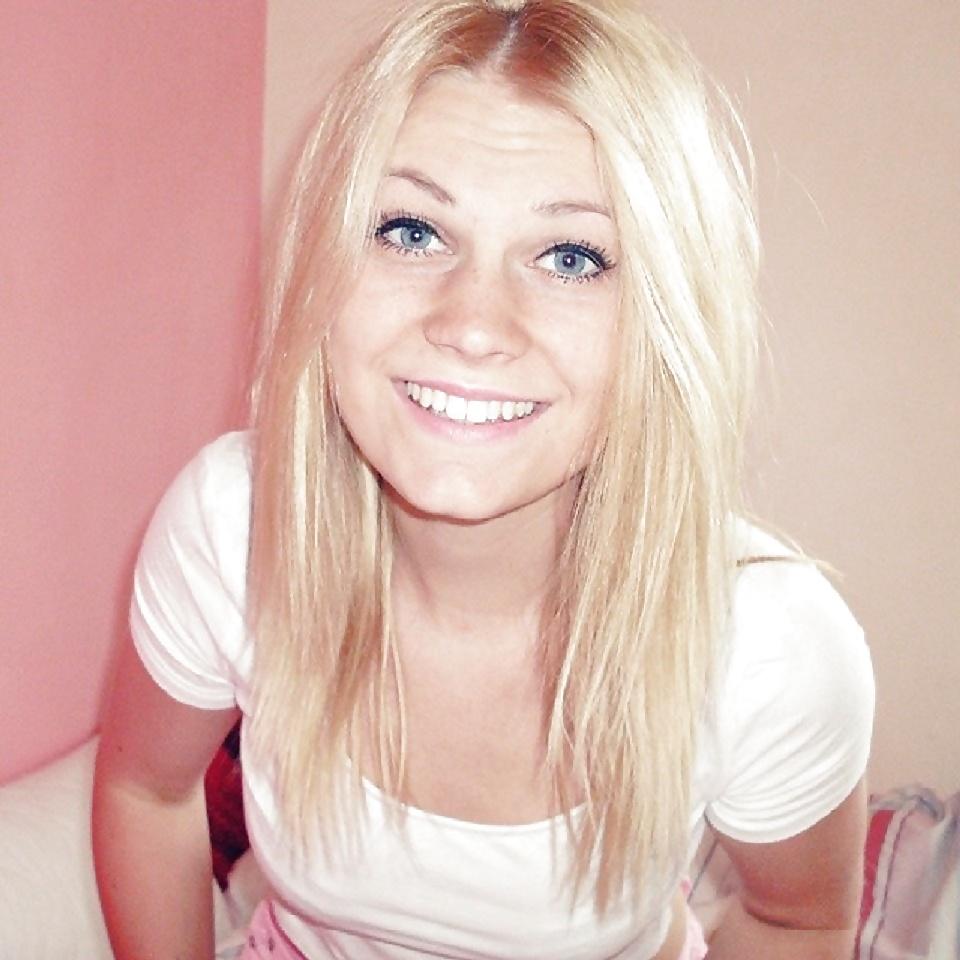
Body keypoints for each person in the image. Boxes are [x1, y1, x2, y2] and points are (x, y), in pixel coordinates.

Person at [91, 1, 875, 957]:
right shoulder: (234, 523)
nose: (471, 324)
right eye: (412, 231)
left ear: (664, 322)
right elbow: (146, 791)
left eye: (571, 257)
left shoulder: (767, 642)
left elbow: (799, 918)